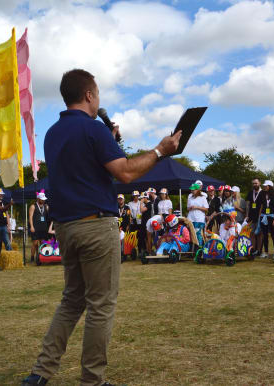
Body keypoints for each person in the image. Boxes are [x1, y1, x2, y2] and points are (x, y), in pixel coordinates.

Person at [23, 68, 180, 386]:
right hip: (96, 225)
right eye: (98, 94)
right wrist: (160, 150)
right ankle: (92, 380)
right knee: (101, 304)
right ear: (89, 95)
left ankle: (41, 372)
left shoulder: (53, 133)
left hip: (66, 227)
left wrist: (109, 141)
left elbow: (86, 168)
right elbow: (124, 173)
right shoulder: (93, 129)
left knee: (72, 300)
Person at [256, 180, 274, 259]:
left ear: (270, 187)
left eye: (266, 186)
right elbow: (262, 206)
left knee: (273, 235)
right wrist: (259, 216)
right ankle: (265, 252)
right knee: (264, 235)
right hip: (263, 217)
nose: (264, 187)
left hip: (272, 216)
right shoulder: (262, 194)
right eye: (264, 186)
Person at [29, 192, 51, 263]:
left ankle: (42, 257)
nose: (43, 200)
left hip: (44, 227)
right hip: (35, 227)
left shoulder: (46, 206)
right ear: (38, 198)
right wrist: (31, 226)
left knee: (43, 243)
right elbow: (30, 217)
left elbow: (49, 217)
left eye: (44, 199)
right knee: (35, 243)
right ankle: (32, 257)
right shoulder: (33, 206)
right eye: (42, 199)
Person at [245, 178, 263, 254]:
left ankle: (259, 250)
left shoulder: (263, 193)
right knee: (251, 233)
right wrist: (247, 215)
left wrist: (260, 215)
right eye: (253, 183)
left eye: (256, 183)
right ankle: (253, 249)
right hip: (251, 216)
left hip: (260, 216)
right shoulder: (250, 192)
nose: (254, 185)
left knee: (259, 234)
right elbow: (248, 205)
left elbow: (264, 205)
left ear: (259, 183)